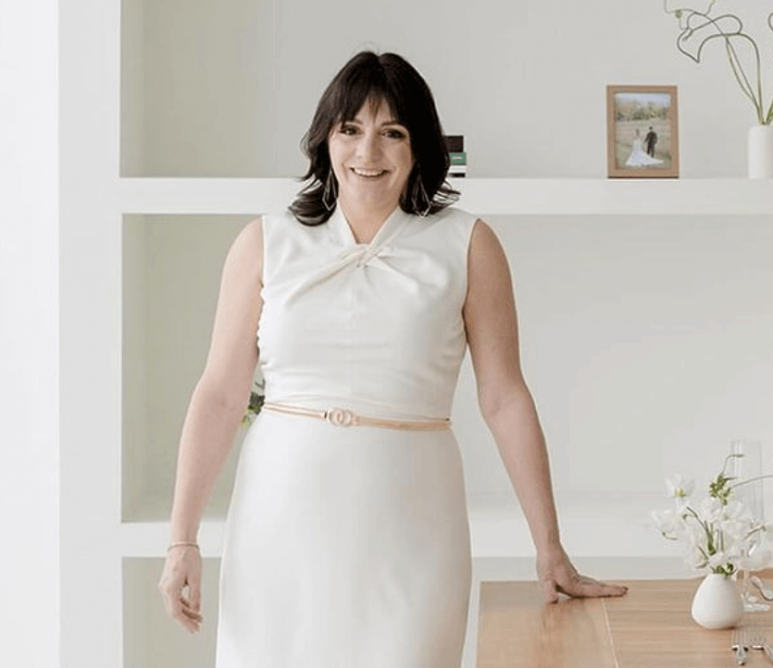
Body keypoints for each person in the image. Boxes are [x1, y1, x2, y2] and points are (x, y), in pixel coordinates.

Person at [157, 50, 628, 667]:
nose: (367, 152)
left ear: (419, 147)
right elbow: (220, 393)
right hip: (279, 523)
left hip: (413, 524)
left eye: (391, 133)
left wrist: (550, 547)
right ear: (325, 139)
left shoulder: (468, 244)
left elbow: (504, 398)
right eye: (349, 129)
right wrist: (181, 541)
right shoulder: (265, 242)